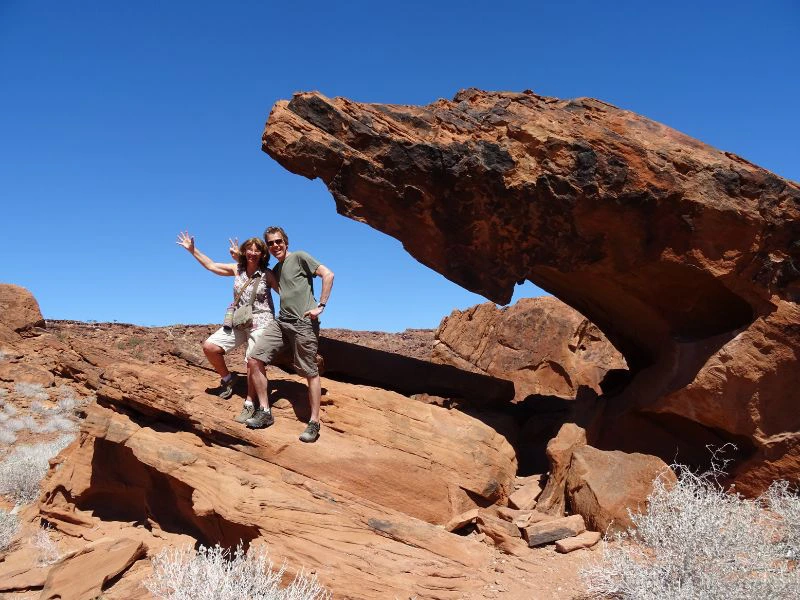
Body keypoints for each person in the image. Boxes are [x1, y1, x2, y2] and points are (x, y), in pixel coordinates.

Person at [176, 231, 279, 422]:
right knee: (210, 347)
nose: (253, 253)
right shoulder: (237, 269)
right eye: (249, 249)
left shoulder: (267, 275)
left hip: (261, 321)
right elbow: (211, 265)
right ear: (244, 252)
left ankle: (250, 403)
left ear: (263, 255)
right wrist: (193, 250)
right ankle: (228, 379)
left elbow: (286, 293)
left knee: (252, 361)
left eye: (257, 250)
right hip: (240, 321)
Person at [245, 226, 334, 443]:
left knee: (309, 371)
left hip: (304, 323)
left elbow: (327, 274)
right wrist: (241, 258)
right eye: (271, 243)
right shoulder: (276, 269)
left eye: (278, 241)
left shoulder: (301, 257)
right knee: (255, 358)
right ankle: (265, 411)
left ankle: (314, 422)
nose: (275, 246)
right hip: (282, 322)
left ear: (286, 242)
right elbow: (258, 274)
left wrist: (320, 305)